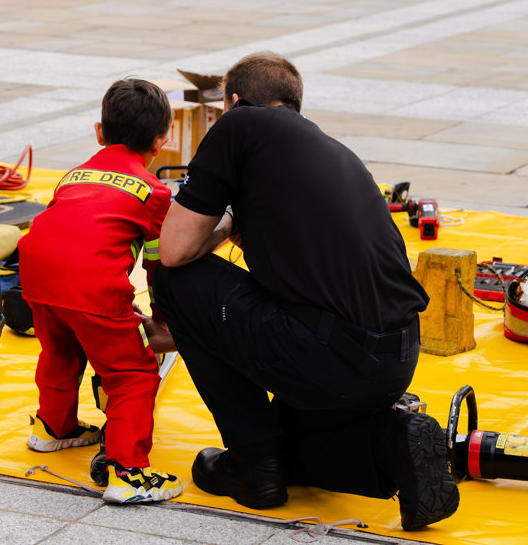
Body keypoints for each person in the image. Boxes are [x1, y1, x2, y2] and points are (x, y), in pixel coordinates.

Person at [151, 52, 460, 530]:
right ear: (295, 105)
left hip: (329, 354)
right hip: (396, 359)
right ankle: (391, 441)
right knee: (290, 438)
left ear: (234, 102)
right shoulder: (332, 151)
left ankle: (253, 464)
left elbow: (174, 250)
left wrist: (225, 224)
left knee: (176, 280)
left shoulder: (240, 126)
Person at [18, 79, 182, 504]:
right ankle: (128, 474)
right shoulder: (156, 193)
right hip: (92, 287)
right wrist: (162, 325)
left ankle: (53, 429)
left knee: (59, 351)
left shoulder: (73, 176)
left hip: (34, 276)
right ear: (162, 141)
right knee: (132, 373)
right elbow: (158, 269)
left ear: (98, 132)